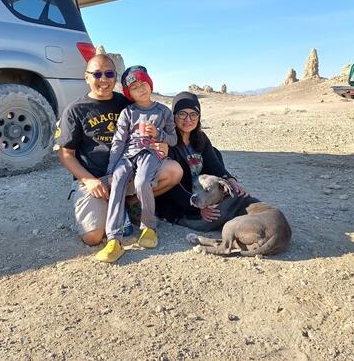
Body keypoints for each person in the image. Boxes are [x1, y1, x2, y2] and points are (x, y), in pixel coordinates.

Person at [57, 55, 182, 246]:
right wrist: (88, 181)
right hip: (96, 180)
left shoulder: (127, 104)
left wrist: (162, 144)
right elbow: (66, 154)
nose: (104, 79)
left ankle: (130, 201)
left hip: (129, 171)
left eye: (109, 73)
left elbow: (158, 129)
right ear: (86, 77)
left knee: (173, 171)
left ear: (115, 77)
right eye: (97, 74)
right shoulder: (75, 110)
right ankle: (106, 209)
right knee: (93, 237)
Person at [95, 66, 177, 263]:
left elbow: (173, 139)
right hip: (128, 154)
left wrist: (159, 134)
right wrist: (111, 168)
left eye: (143, 84)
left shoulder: (163, 111)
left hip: (151, 153)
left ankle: (148, 226)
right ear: (128, 93)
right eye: (135, 88)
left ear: (150, 84)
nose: (141, 89)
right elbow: (119, 141)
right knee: (117, 180)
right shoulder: (128, 112)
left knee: (142, 182)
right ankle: (114, 238)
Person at [155, 91, 258, 227]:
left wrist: (231, 181)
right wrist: (196, 207)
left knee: (215, 153)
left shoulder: (200, 138)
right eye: (182, 114)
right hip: (178, 199)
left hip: (199, 192)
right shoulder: (168, 140)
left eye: (193, 114)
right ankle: (181, 217)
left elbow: (215, 166)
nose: (188, 119)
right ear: (174, 116)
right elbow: (174, 187)